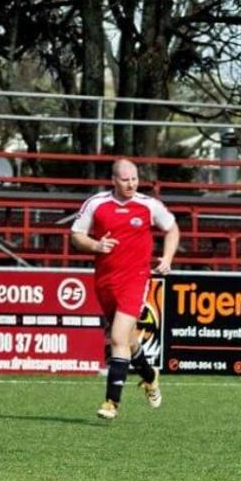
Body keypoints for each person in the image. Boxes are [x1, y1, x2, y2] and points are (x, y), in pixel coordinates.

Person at [69, 157, 179, 420]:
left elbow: (172, 229)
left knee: (117, 337)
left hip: (136, 279)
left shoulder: (149, 205)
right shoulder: (96, 204)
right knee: (128, 340)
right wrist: (95, 246)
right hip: (105, 280)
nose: (131, 184)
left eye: (134, 179)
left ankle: (111, 402)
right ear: (113, 180)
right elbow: (76, 236)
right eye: (125, 179)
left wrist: (167, 258)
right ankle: (150, 376)